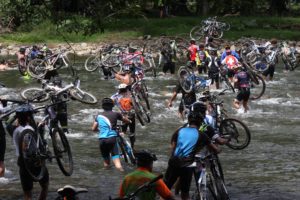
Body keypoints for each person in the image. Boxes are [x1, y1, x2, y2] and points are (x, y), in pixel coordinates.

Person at [164, 111, 220, 200]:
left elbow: (173, 147)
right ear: (201, 122)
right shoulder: (202, 135)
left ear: (189, 121)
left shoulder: (179, 130)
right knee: (185, 194)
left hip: (174, 162)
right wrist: (219, 149)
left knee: (165, 191)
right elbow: (215, 150)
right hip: (187, 165)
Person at [13, 104, 49, 200]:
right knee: (45, 186)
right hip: (34, 161)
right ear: (29, 117)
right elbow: (26, 146)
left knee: (27, 193)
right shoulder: (29, 129)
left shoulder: (15, 130)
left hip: (21, 162)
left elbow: (9, 124)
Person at [92, 97, 131, 171]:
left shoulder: (98, 116)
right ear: (112, 106)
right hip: (111, 139)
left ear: (102, 106)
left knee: (106, 163)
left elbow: (93, 129)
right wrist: (128, 121)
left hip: (102, 140)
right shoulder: (116, 114)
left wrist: (99, 130)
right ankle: (122, 174)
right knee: (117, 163)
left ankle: (107, 177)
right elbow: (126, 121)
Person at [111, 84, 136, 149]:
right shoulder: (130, 95)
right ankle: (132, 147)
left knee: (121, 131)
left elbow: (111, 103)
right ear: (126, 89)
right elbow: (135, 104)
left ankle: (122, 148)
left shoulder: (115, 96)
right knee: (132, 132)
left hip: (120, 117)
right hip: (131, 116)